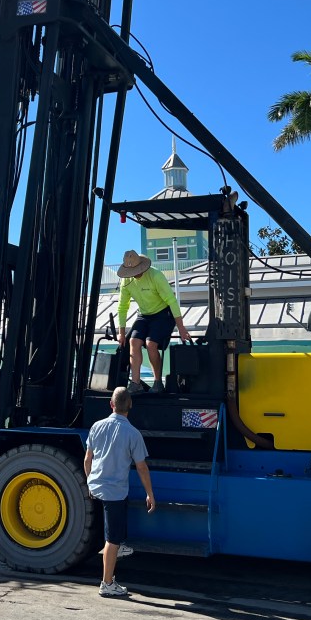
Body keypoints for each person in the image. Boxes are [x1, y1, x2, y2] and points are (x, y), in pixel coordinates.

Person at [84, 386, 156, 598]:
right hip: (114, 490)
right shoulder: (133, 434)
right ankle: (107, 583)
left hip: (97, 485)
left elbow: (88, 458)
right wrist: (150, 493)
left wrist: (89, 481)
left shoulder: (96, 426)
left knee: (113, 521)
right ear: (130, 406)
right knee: (112, 539)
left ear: (111, 405)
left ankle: (116, 545)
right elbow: (141, 467)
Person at [116, 249, 190, 394]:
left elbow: (172, 301)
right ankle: (135, 383)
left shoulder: (155, 275)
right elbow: (122, 306)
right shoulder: (126, 280)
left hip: (163, 314)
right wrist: (121, 333)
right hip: (144, 315)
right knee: (133, 342)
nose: (135, 274)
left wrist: (181, 327)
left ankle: (157, 383)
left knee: (151, 344)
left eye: (137, 270)